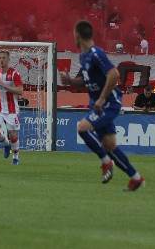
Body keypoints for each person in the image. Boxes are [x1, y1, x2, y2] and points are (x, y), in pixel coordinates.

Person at [60, 20, 144, 191]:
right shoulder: (84, 56)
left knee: (82, 128)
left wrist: (102, 98)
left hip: (108, 103)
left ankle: (106, 163)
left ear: (78, 35)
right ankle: (136, 178)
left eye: (73, 34)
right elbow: (84, 81)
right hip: (97, 105)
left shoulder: (96, 53)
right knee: (109, 146)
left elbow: (114, 74)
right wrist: (69, 80)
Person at [0, 51, 24, 165]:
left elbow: (20, 91)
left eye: (4, 58)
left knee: (13, 135)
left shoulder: (14, 74)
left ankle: (15, 156)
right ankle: (6, 144)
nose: (1, 60)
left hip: (11, 109)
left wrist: (4, 85)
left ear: (8, 60)